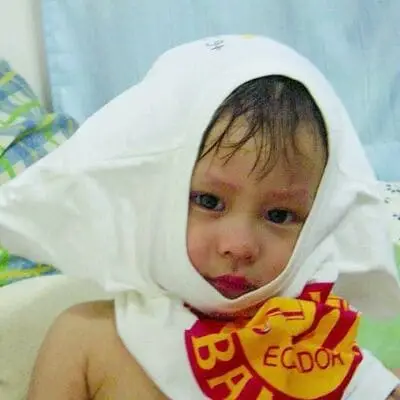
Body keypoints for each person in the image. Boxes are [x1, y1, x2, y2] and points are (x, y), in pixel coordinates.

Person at [0, 35, 399, 399]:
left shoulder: (325, 356)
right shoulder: (87, 341)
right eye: (208, 201)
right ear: (156, 195)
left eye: (279, 215)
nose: (239, 246)